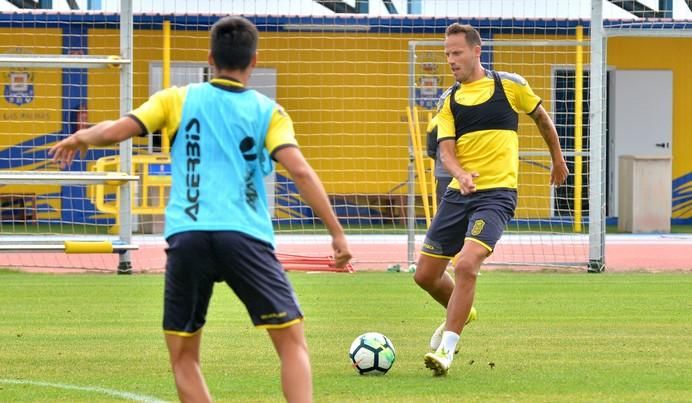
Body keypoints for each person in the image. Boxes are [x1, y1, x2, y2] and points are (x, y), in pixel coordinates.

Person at [50, 16, 351, 403]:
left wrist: (80, 137)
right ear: (254, 61)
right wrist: (337, 233)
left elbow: (116, 131)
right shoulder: (268, 112)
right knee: (292, 343)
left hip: (188, 236)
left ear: (210, 58)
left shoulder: (176, 98)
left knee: (184, 357)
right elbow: (300, 170)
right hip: (246, 237)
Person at [414, 23, 569, 376]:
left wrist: (557, 158)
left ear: (476, 51)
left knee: (466, 264)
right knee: (425, 275)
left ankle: (447, 350)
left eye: (457, 52)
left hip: (496, 195)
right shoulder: (449, 100)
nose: (451, 60)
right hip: (459, 195)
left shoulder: (510, 86)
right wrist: (460, 173)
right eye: (447, 54)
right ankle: (462, 311)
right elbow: (446, 151)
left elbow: (542, 120)